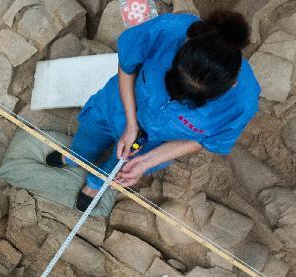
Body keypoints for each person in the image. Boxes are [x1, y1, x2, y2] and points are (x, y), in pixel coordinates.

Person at [49, 10, 259, 213]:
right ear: (183, 48)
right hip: (115, 106)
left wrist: (147, 162)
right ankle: (77, 156)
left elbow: (203, 140)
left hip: (154, 144)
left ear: (231, 86)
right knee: (90, 132)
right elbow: (127, 66)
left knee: (121, 165)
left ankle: (95, 183)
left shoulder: (242, 104)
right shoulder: (169, 30)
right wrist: (131, 123)